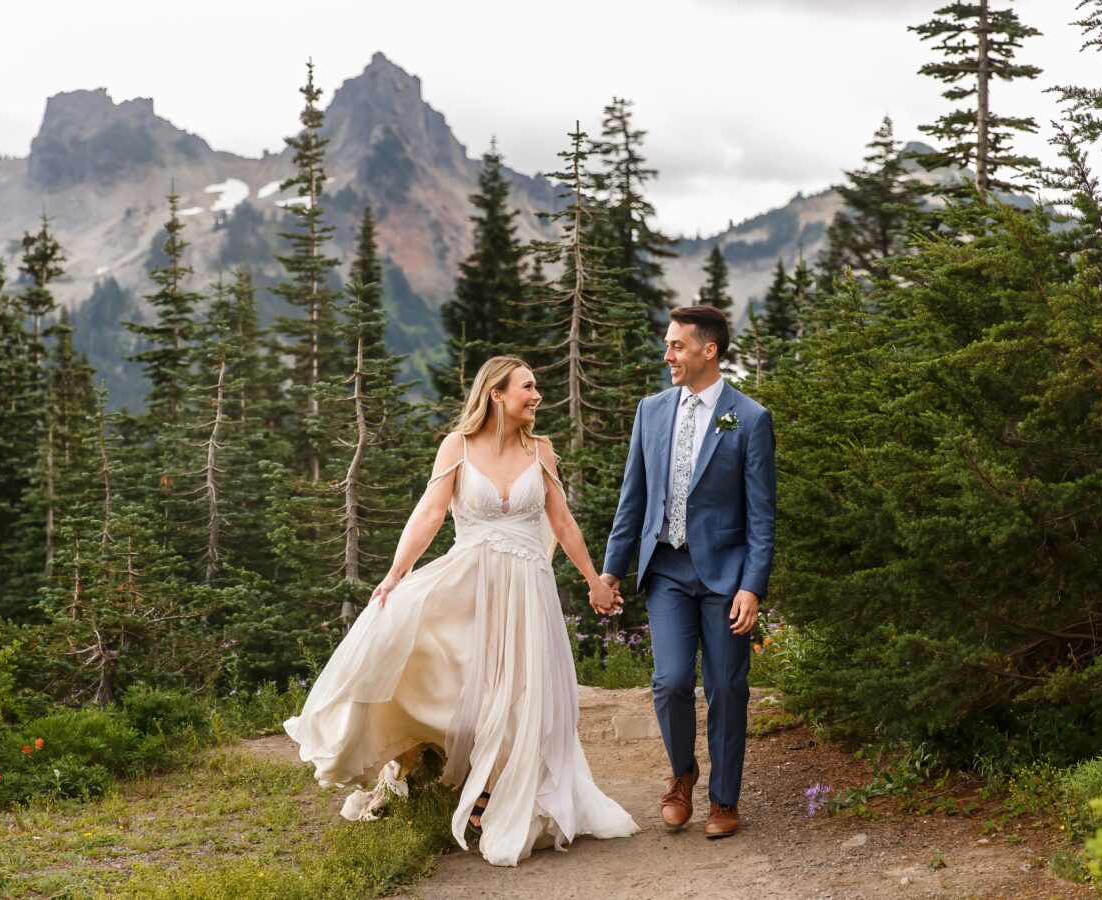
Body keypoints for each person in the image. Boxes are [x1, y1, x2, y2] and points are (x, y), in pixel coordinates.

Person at [284, 355, 639, 867]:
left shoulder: (541, 450)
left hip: (527, 590)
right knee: (457, 675)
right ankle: (468, 782)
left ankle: (507, 794)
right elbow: (429, 514)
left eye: (536, 387)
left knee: (522, 694)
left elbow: (562, 522)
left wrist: (593, 581)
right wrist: (394, 574)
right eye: (528, 387)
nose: (537, 395)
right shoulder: (457, 447)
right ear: (496, 393)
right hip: (470, 583)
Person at [601, 304, 777, 839]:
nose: (668, 353)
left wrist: (752, 585)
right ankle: (682, 776)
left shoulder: (748, 418)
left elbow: (762, 516)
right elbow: (633, 499)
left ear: (709, 350)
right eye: (668, 344)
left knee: (726, 687)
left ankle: (724, 800)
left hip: (726, 576)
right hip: (668, 571)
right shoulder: (650, 411)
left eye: (677, 345)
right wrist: (610, 572)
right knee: (672, 680)